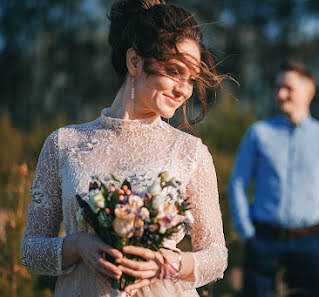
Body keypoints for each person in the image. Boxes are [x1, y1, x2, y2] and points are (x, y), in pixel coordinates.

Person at [21, 1, 227, 296]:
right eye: (174, 71)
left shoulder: (190, 152)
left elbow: (216, 257)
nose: (184, 89)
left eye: (191, 79)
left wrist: (165, 264)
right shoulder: (64, 144)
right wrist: (78, 245)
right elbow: (31, 251)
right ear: (134, 62)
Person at [228, 61, 319, 297]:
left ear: (309, 91)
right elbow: (238, 182)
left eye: (288, 88)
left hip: (310, 243)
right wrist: (247, 232)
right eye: (278, 87)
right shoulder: (258, 133)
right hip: (263, 239)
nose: (281, 94)